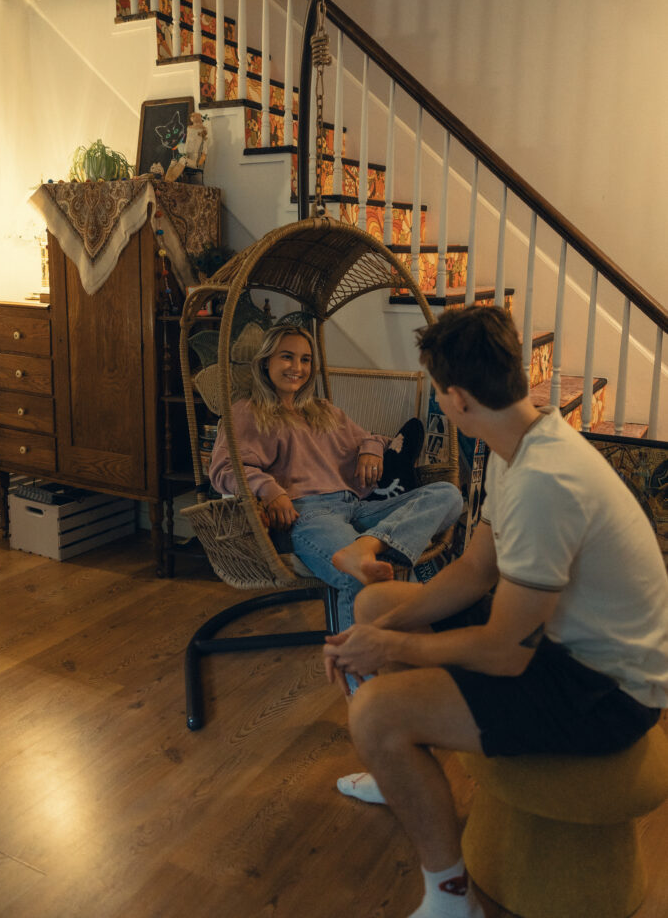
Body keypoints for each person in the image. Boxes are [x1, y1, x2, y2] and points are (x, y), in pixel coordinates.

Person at [323, 305, 668, 918]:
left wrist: (388, 649)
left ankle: (452, 901)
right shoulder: (521, 443)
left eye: (434, 389)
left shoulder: (545, 480)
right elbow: (474, 570)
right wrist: (378, 629)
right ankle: (397, 766)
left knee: (375, 714)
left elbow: (508, 655)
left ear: (455, 399)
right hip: (564, 647)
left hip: (608, 692)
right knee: (378, 603)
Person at [208, 324, 463, 633]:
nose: (297, 367)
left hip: (357, 508)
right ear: (266, 363)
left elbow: (375, 438)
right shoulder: (248, 411)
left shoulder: (323, 410)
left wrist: (370, 450)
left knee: (446, 495)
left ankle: (368, 546)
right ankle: (362, 678)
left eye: (305, 360)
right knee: (358, 578)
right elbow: (224, 469)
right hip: (307, 514)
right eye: (287, 357)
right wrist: (270, 489)